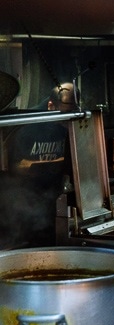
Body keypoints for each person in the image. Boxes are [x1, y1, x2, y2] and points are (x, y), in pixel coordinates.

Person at [0, 82, 78, 247]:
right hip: (22, 198)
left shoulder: (66, 122)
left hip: (51, 197)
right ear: (50, 105)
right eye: (64, 115)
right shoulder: (27, 125)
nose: (66, 121)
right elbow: (16, 167)